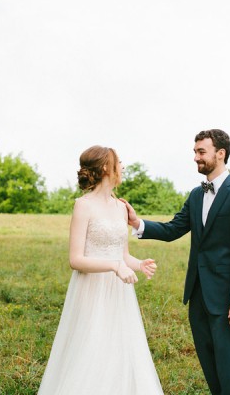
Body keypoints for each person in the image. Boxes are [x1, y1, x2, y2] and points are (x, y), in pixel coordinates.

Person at [122, 129, 230, 395]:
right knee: (209, 363)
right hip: (197, 294)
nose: (196, 158)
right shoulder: (196, 195)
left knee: (229, 365)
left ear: (220, 154)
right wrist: (137, 223)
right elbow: (174, 228)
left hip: (227, 297)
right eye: (195, 152)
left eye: (201, 152)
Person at [37, 145, 164, 395]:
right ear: (106, 167)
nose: (123, 167)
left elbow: (122, 253)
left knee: (119, 347)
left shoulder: (120, 206)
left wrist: (138, 264)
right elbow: (76, 259)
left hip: (119, 290)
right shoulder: (83, 205)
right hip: (91, 289)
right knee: (92, 346)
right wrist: (114, 266)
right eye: (119, 162)